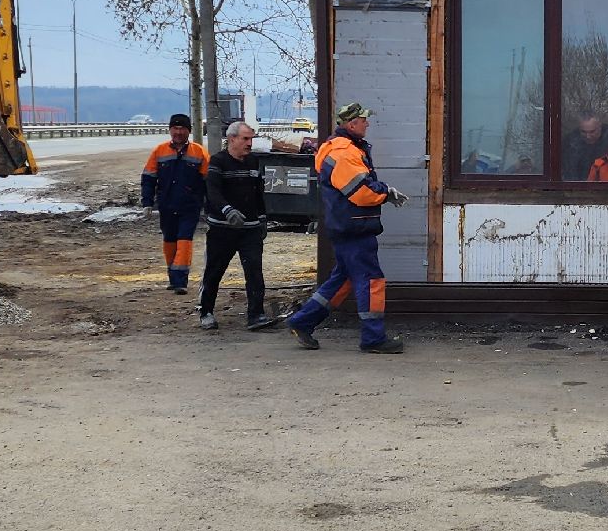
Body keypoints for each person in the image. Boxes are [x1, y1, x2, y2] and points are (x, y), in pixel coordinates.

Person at [285, 103, 409, 353]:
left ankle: (303, 321)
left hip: (346, 225)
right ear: (352, 124)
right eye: (364, 120)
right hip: (355, 227)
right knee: (371, 279)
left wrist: (384, 192)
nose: (367, 123)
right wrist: (386, 193)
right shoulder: (344, 152)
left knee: (344, 279)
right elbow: (360, 191)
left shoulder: (337, 148)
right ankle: (373, 338)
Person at [197, 121, 281, 332]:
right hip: (222, 229)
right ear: (232, 139)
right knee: (214, 271)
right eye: (245, 139)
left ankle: (256, 315)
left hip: (250, 229)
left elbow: (258, 192)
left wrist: (262, 218)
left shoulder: (253, 161)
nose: (249, 143)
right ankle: (206, 312)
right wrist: (227, 210)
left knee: (254, 272)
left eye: (251, 139)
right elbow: (213, 191)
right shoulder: (218, 161)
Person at [139, 113, 209, 294]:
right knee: (169, 240)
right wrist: (147, 202)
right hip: (167, 205)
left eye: (182, 129)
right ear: (170, 130)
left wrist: (210, 205)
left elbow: (209, 181)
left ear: (188, 131)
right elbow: (148, 178)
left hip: (190, 206)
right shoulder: (159, 151)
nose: (178, 132)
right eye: (175, 128)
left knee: (184, 239)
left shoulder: (199, 152)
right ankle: (173, 275)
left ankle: (180, 280)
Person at [562, 112, 608, 181]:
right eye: (583, 132)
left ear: (599, 127)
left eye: (592, 132)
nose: (588, 136)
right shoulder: (570, 142)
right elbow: (567, 170)